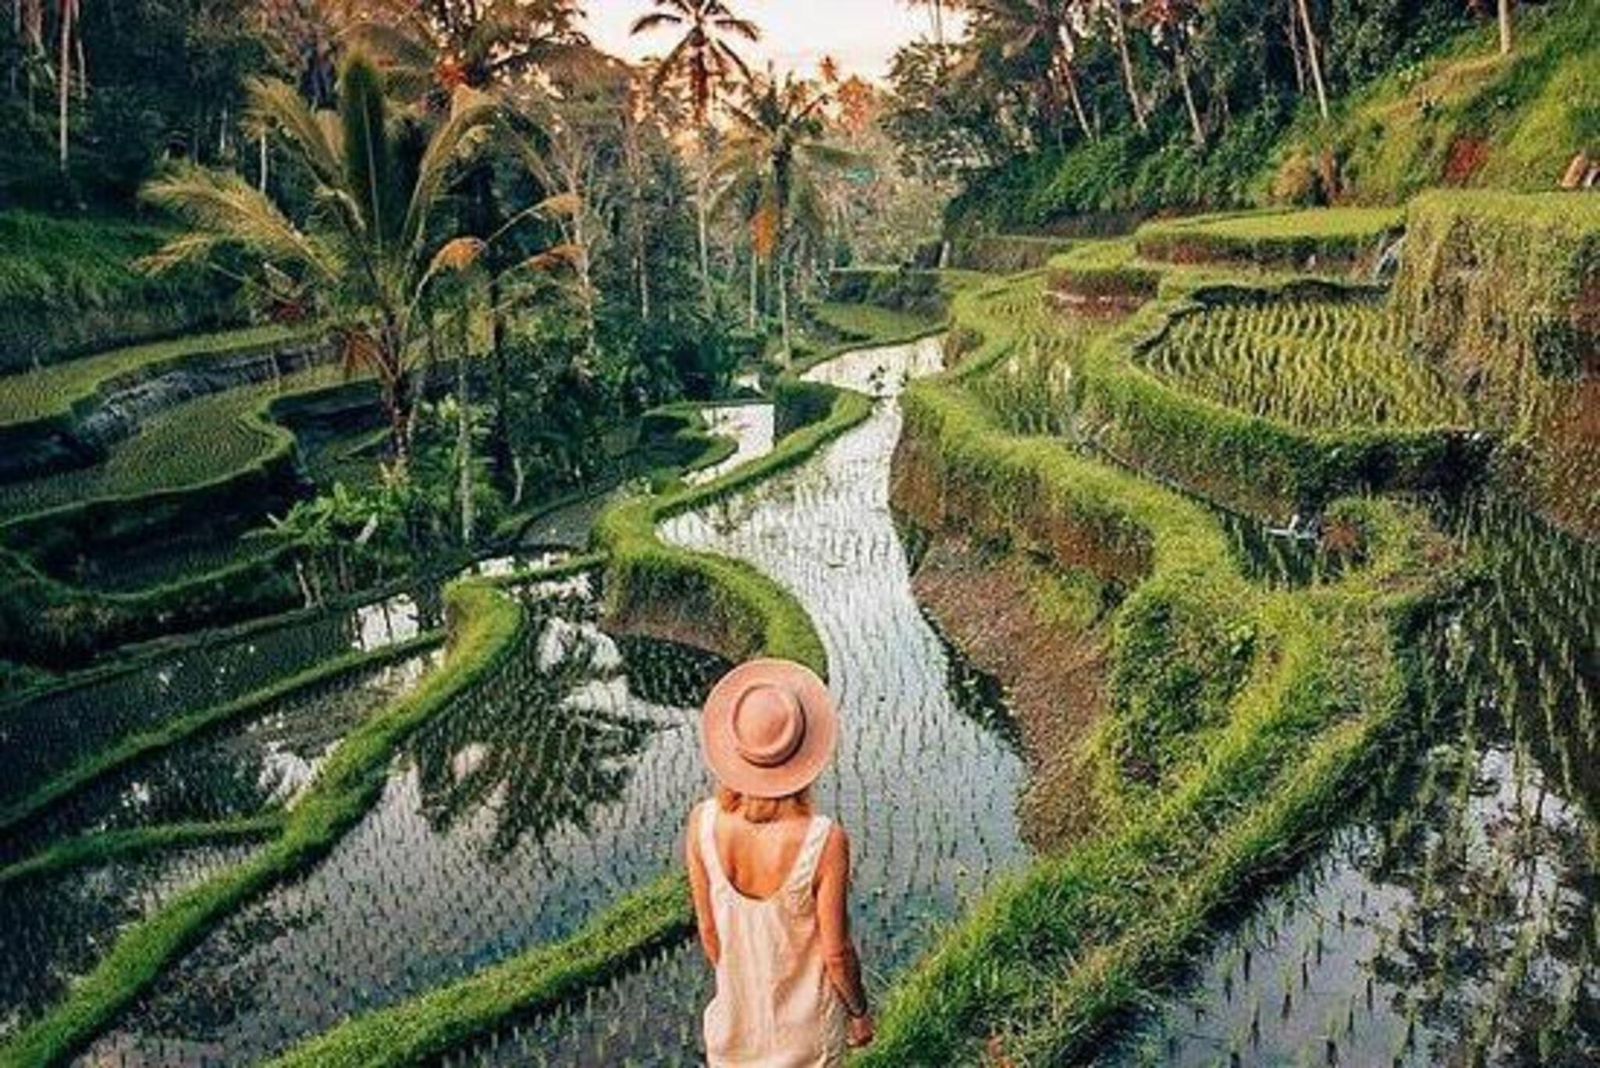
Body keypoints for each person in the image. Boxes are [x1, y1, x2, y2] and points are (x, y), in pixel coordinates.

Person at [688, 658, 874, 1066]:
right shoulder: (824, 840)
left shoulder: (702, 823)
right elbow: (837, 954)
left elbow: (709, 931)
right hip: (807, 1039)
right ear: (805, 755)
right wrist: (859, 1013)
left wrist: (748, 992)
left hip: (735, 1031)